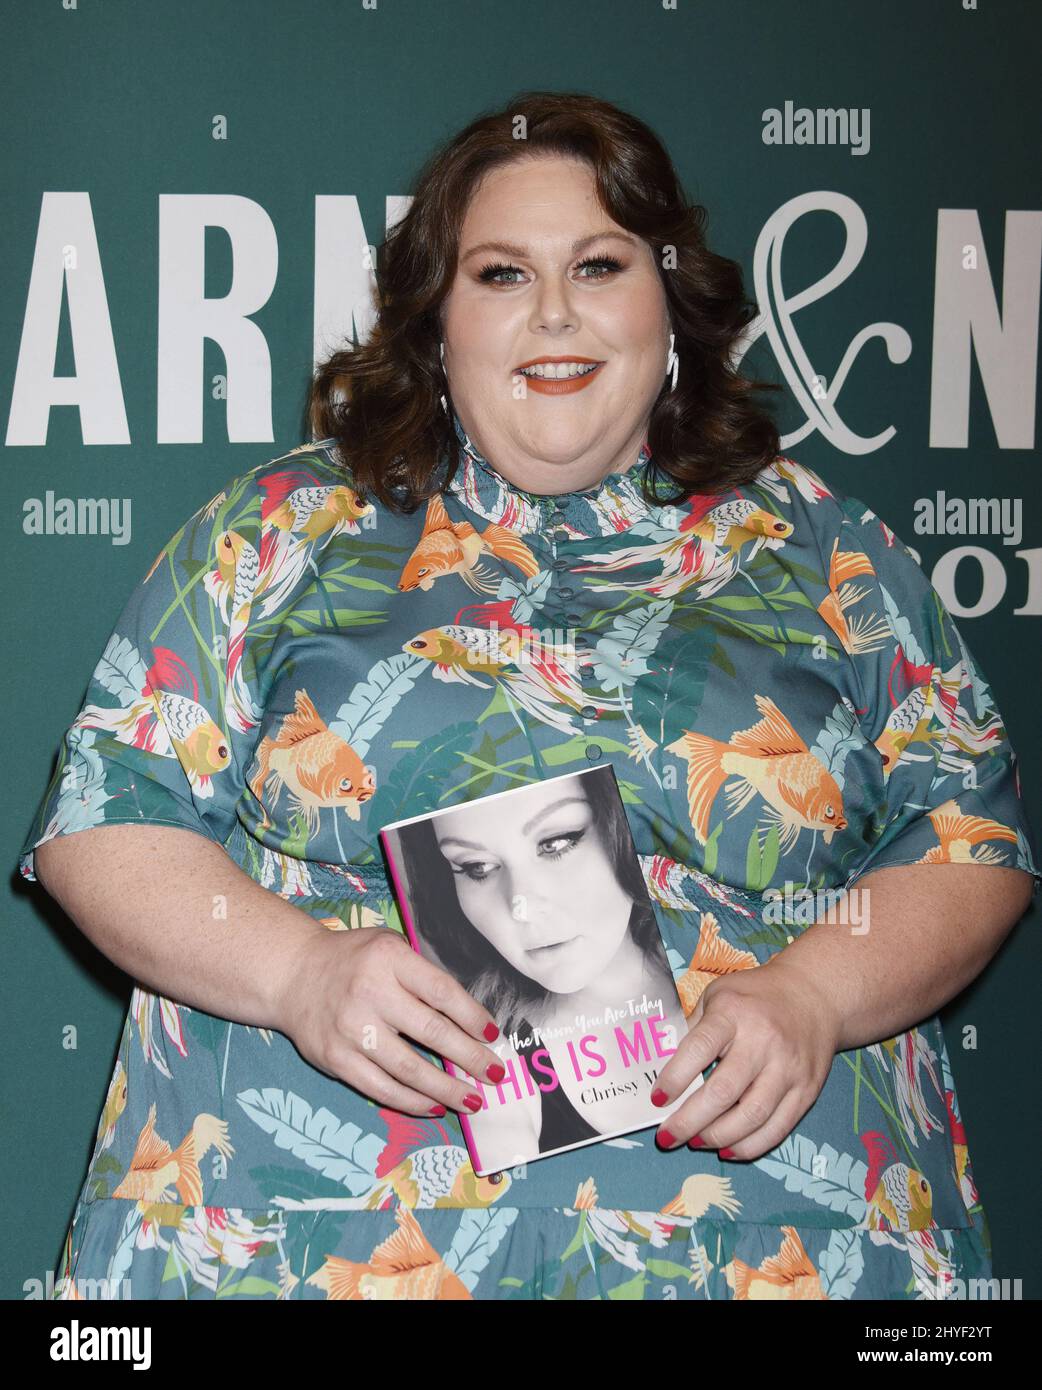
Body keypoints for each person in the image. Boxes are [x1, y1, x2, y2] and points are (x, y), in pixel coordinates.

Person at [20, 91, 1039, 1301]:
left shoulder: (828, 549)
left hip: (777, 1249)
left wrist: (816, 992)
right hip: (307, 1243)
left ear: (670, 308)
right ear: (434, 322)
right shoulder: (278, 531)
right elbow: (104, 817)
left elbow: (973, 834)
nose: (553, 312)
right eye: (501, 274)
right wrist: (300, 973)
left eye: (599, 265)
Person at [394, 769, 692, 1166]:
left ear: (619, 824)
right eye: (476, 867)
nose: (523, 908)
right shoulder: (489, 1054)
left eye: (557, 843)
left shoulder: (730, 967)